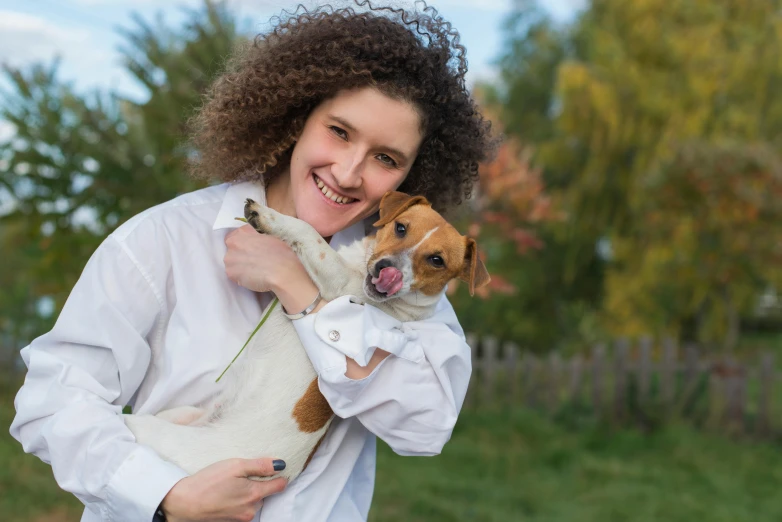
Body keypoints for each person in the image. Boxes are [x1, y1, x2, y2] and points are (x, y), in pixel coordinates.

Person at [9, 1, 496, 521]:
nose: (350, 172)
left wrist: (302, 292)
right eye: (339, 131)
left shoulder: (406, 286)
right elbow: (52, 400)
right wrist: (166, 496)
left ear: (410, 176)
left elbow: (424, 426)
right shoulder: (164, 239)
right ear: (298, 116)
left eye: (386, 158)